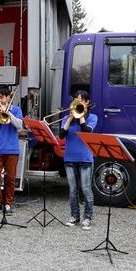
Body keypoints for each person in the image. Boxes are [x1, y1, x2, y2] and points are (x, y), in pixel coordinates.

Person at [59, 91, 98, 230]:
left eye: (80, 100)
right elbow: (61, 135)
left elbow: (86, 132)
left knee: (86, 189)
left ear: (87, 102)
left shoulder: (93, 117)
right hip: (69, 158)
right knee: (73, 190)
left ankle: (87, 217)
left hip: (85, 159)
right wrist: (69, 119)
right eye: (75, 99)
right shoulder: (66, 118)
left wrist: (81, 116)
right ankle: (74, 216)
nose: (77, 102)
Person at [0, 86, 23, 215]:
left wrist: (8, 113)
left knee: (11, 178)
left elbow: (19, 126)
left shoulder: (17, 110)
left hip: (12, 149)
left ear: (8, 98)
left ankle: (8, 204)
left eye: (2, 97)